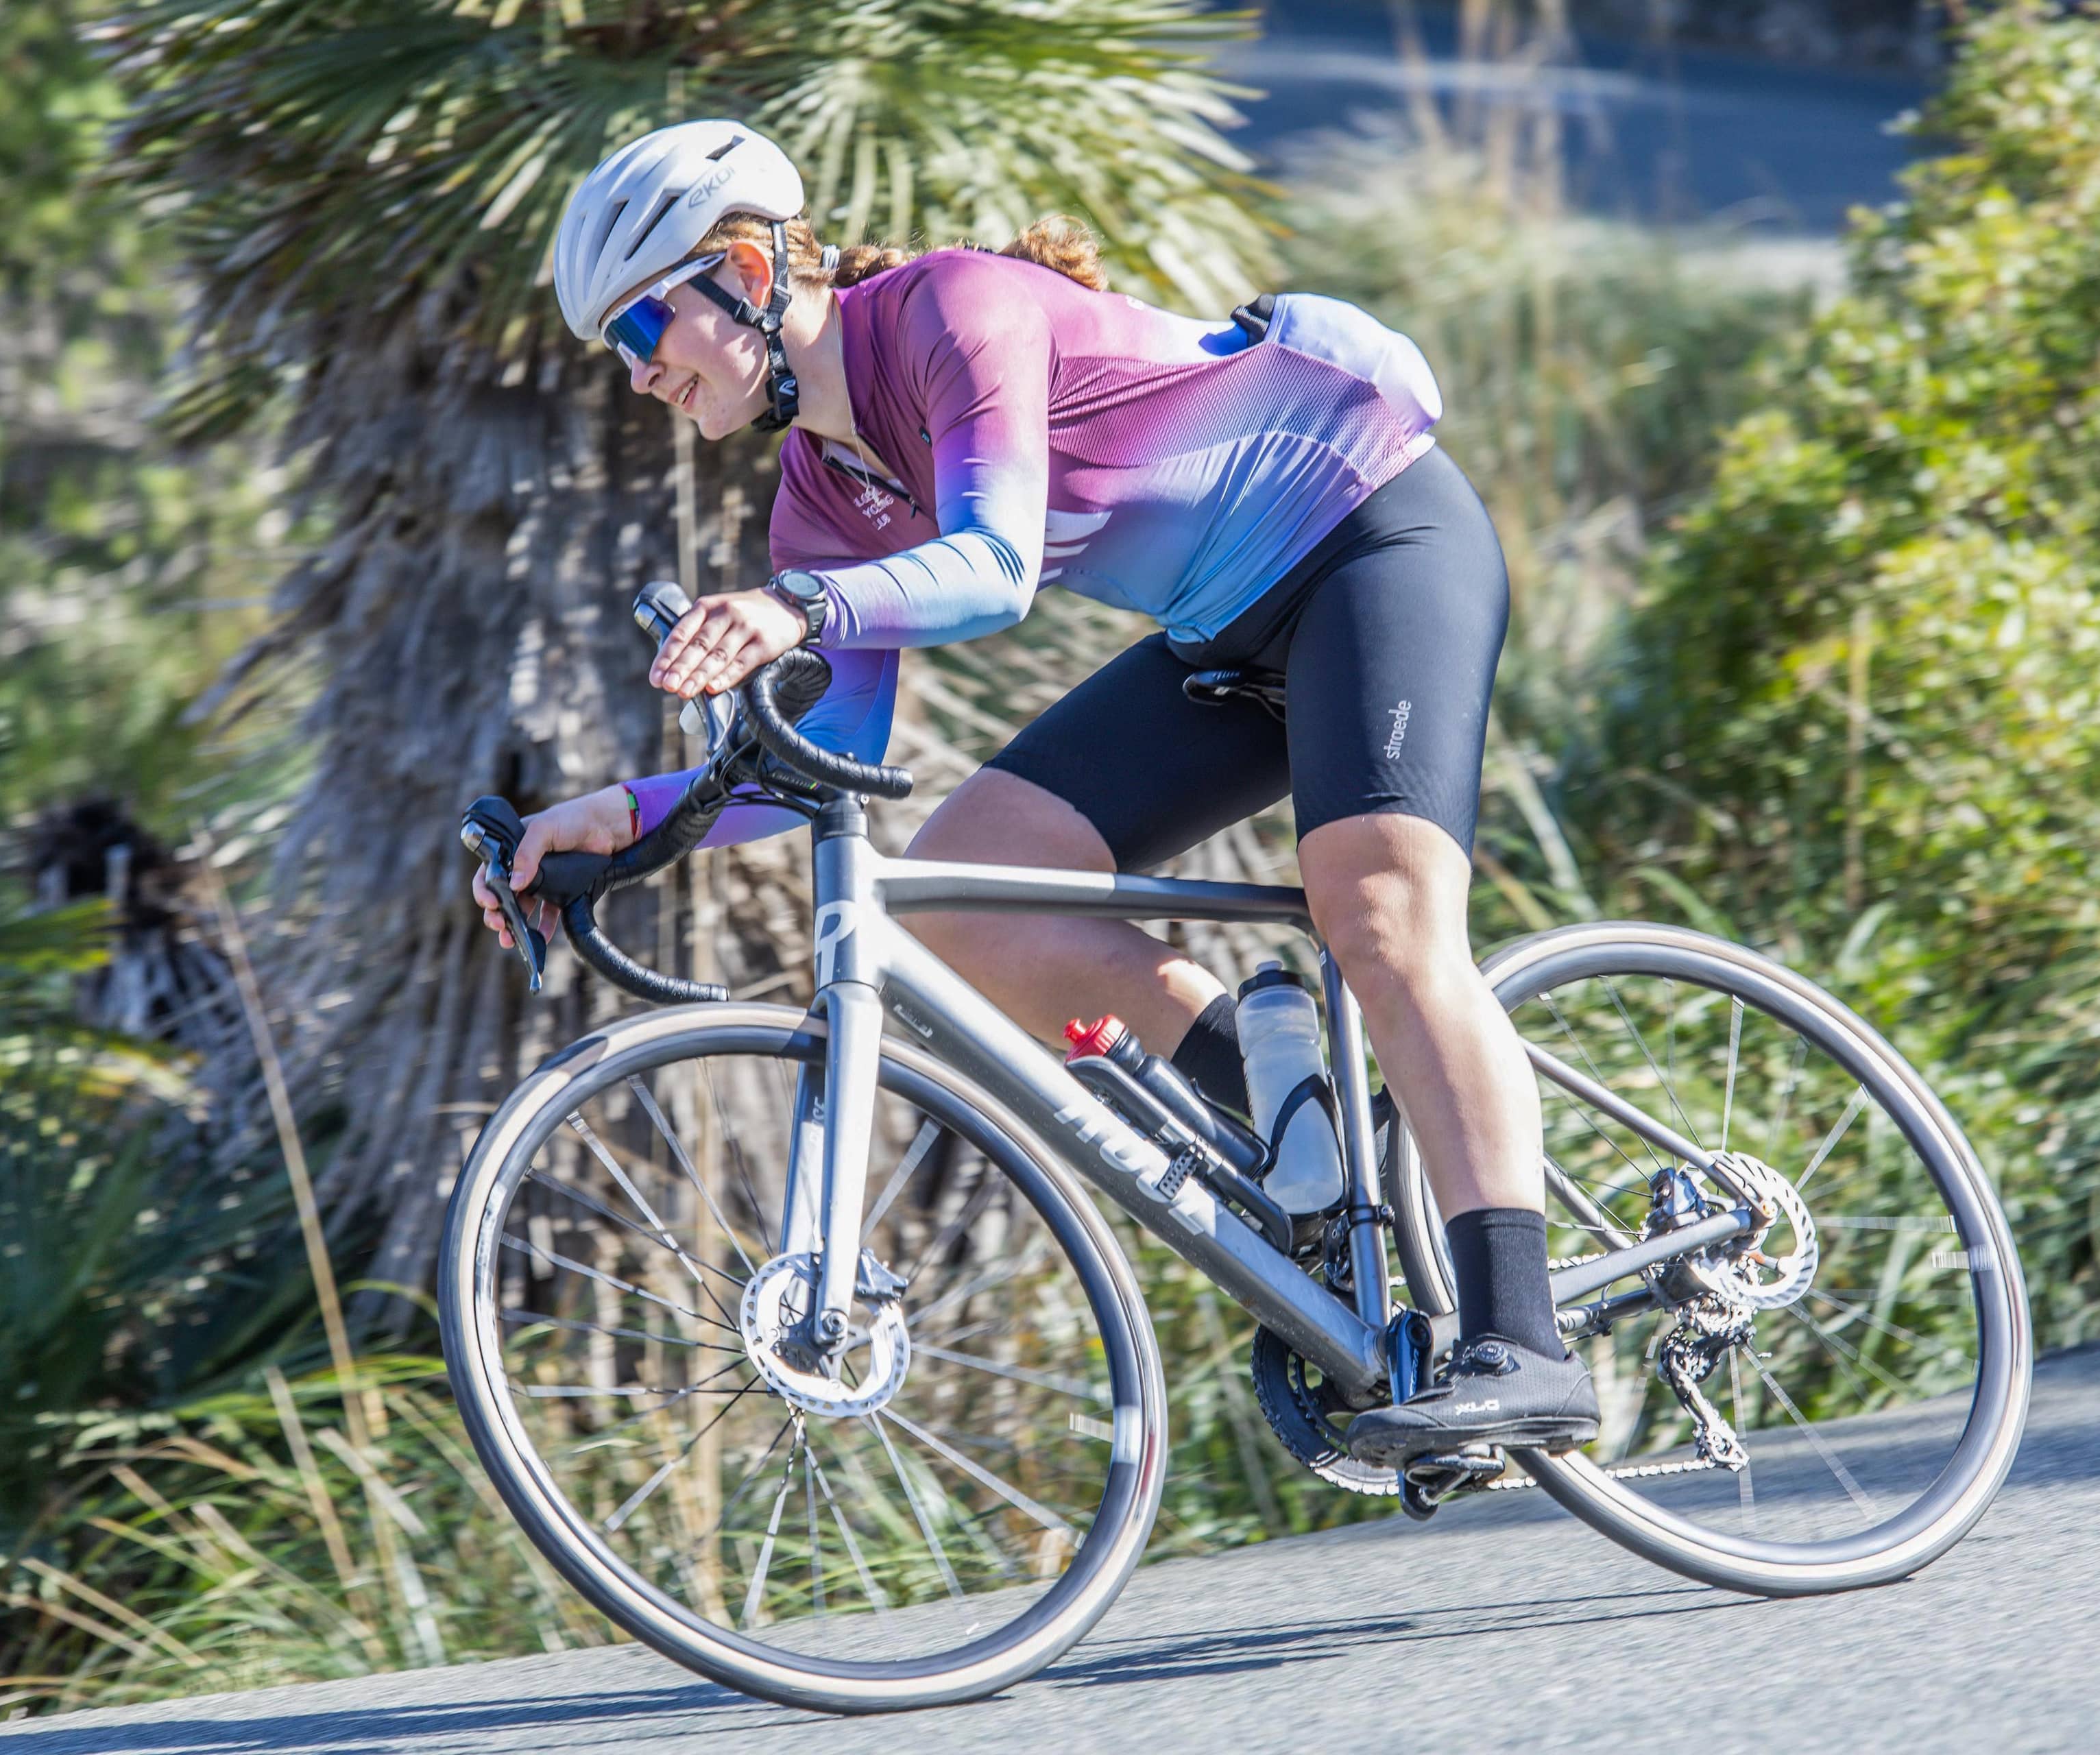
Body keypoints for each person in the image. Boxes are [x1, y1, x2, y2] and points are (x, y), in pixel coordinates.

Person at [471, 119, 1597, 1465]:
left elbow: (995, 567)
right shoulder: (821, 492)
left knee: (1381, 916)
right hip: (1225, 636)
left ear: (751, 277)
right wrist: (623, 824)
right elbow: (816, 756)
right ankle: (1299, 1121)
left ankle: (1524, 1340)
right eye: (616, 347)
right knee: (969, 896)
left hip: (1372, 536)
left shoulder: (951, 310)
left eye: (643, 324)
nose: (637, 369)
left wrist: (797, 605)